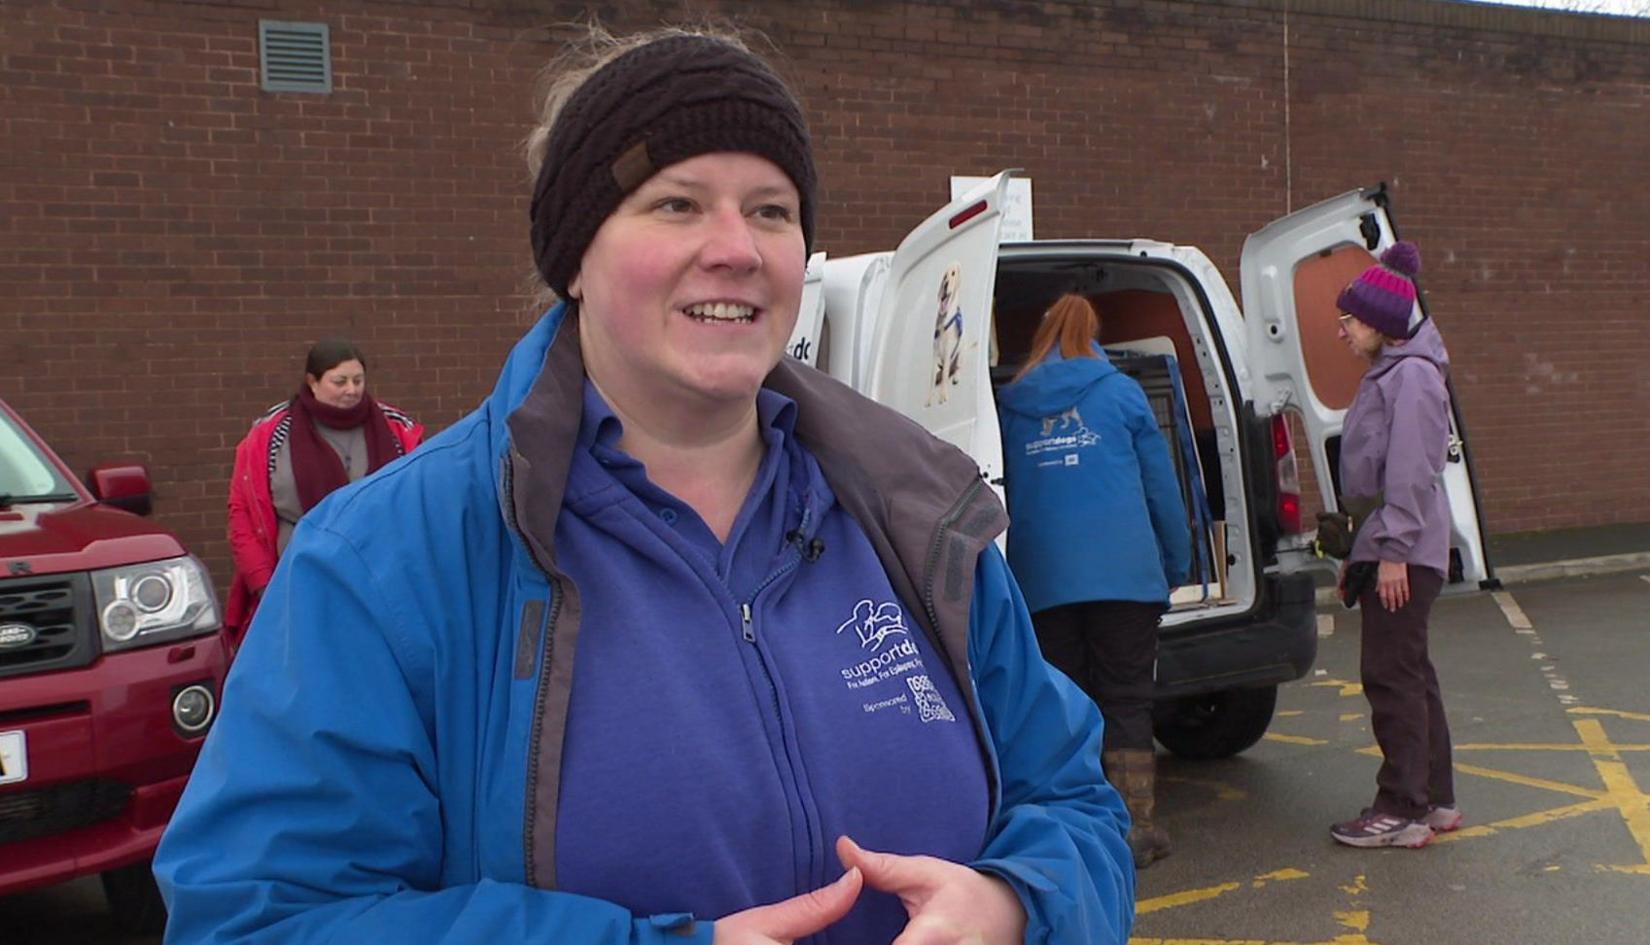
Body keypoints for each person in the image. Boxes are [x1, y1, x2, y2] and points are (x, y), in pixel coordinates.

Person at [155, 26, 1134, 945]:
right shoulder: (382, 565)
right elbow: (259, 916)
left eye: (771, 210)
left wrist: (1016, 902)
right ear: (575, 253)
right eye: (677, 203)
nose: (738, 248)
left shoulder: (914, 512)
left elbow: (1072, 803)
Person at [996, 294, 1191, 869]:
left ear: (1043, 335)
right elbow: (1162, 488)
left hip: (1042, 580)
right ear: (1095, 335)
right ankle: (1136, 829)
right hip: (1125, 580)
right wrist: (1173, 565)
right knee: (1126, 699)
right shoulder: (1122, 393)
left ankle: (1078, 831)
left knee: (1064, 704)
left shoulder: (1011, 403)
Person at [1327, 240, 1461, 849]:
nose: (1343, 333)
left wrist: (1394, 552)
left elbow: (1409, 470)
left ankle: (1401, 806)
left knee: (1391, 677)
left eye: (1349, 321)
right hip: (1391, 542)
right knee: (1412, 673)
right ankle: (1433, 800)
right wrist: (1364, 555)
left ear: (1381, 323)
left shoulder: (1410, 377)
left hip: (1404, 546)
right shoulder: (1395, 373)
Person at [223, 339, 422, 641]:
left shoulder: (397, 430)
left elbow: (418, 501)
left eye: (358, 380)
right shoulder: (272, 434)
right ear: (312, 382)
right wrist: (265, 585)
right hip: (297, 587)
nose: (352, 390)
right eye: (339, 381)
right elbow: (243, 515)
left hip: (383, 589)